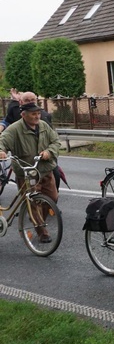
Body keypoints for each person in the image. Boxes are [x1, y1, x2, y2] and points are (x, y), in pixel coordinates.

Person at [0, 102, 61, 242]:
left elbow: (56, 141)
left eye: (38, 113)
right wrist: (1, 152)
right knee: (33, 202)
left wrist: (49, 152)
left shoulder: (43, 125)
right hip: (27, 173)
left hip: (45, 170)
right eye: (33, 114)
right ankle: (42, 232)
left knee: (52, 198)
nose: (37, 116)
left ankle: (40, 222)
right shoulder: (14, 129)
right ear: (23, 115)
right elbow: (2, 142)